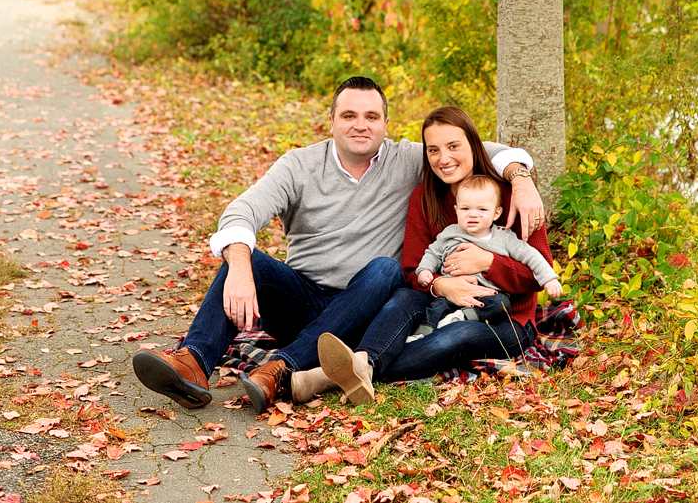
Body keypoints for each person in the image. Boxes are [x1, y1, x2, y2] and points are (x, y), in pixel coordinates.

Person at [132, 79, 544, 413]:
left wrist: (520, 178)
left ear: (386, 124)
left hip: (365, 307)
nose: (360, 125)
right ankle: (193, 364)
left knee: (383, 268)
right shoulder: (299, 165)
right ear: (331, 121)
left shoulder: (410, 160)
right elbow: (242, 211)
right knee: (244, 257)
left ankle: (281, 369)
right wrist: (239, 267)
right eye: (348, 115)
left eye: (370, 116)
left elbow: (478, 151)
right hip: (303, 302)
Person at [307, 105, 560, 403]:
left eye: (454, 146)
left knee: (457, 336)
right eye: (434, 150)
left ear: (474, 146)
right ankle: (359, 366)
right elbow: (413, 270)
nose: (444, 158)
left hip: (505, 319)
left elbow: (537, 273)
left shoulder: (509, 196)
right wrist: (440, 284)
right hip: (438, 304)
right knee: (402, 298)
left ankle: (332, 374)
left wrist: (489, 263)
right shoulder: (424, 198)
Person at [412, 174, 561, 336]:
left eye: (482, 209)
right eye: (465, 208)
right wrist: (425, 270)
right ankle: (422, 333)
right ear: (456, 210)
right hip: (453, 292)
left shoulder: (504, 238)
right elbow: (432, 253)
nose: (473, 214)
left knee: (501, 304)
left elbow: (531, 256)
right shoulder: (450, 233)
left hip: (487, 297)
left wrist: (549, 279)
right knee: (436, 306)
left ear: (496, 213)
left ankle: (460, 318)